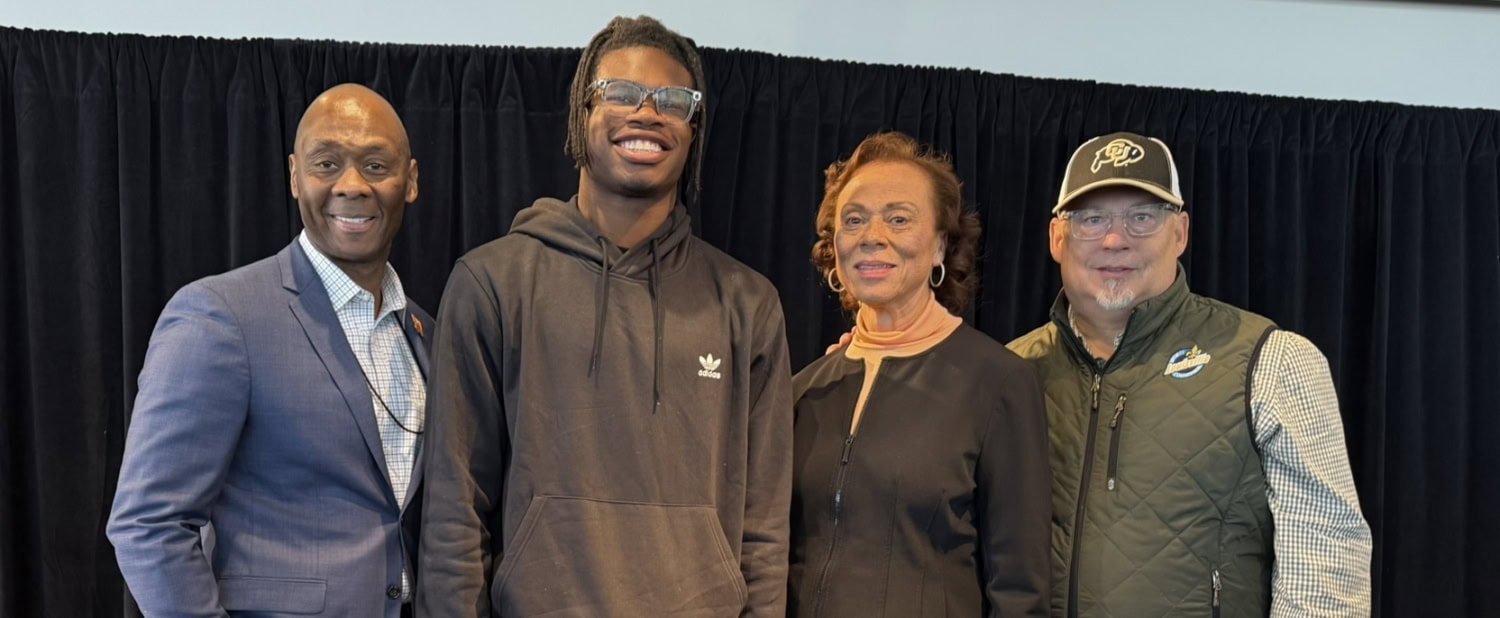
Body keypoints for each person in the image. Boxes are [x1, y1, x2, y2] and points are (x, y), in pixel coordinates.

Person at [416, 15, 793, 617]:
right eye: (620, 93)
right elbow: (455, 512)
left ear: (694, 129)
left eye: (673, 100)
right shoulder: (493, 282)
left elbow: (765, 530)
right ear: (580, 116)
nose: (647, 113)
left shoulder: (747, 304)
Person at [1007, 131, 1373, 617]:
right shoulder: (1009, 371)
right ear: (1057, 237)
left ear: (1179, 232)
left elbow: (1327, 569)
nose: (1115, 240)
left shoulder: (1273, 361)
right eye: (1092, 219)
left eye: (1141, 217)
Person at [107, 83, 431, 617]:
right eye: (326, 164)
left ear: (410, 181)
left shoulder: (426, 332)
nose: (351, 186)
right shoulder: (219, 316)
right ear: (293, 176)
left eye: (376, 166)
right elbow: (148, 524)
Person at [790, 132, 1052, 617]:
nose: (872, 235)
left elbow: (1021, 589)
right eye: (854, 220)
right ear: (835, 251)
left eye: (898, 218)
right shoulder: (801, 392)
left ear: (939, 247)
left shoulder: (998, 382)